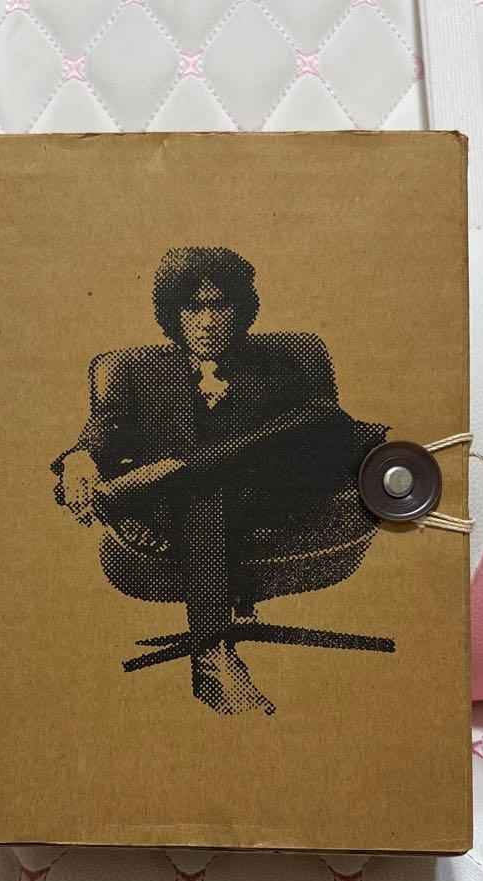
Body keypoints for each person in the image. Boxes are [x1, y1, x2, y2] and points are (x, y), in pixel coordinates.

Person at [52, 247, 385, 715]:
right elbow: (102, 430)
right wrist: (79, 459)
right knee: (206, 494)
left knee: (292, 435)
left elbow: (321, 429)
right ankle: (213, 656)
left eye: (219, 306)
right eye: (193, 308)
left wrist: (181, 468)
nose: (206, 322)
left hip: (274, 495)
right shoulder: (139, 373)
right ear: (173, 314)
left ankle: (167, 486)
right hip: (187, 508)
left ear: (241, 311)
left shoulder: (281, 363)